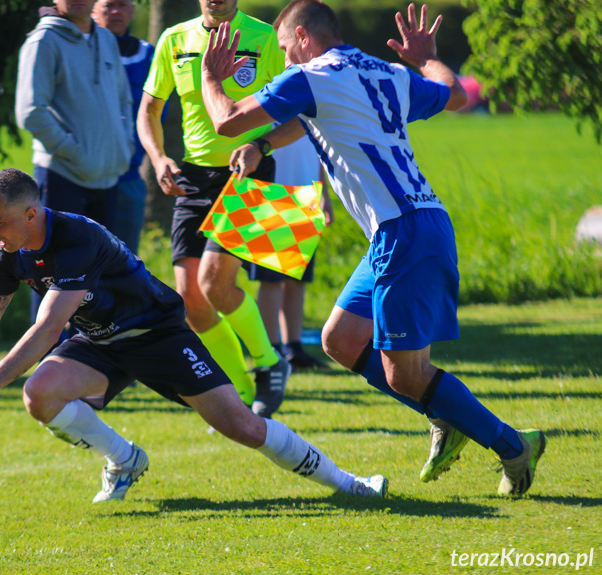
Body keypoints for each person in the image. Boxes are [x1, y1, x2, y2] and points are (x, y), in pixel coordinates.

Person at [199, 1, 546, 496]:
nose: (286, 60)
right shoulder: (379, 71)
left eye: (284, 49)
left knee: (405, 376)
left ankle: (513, 445)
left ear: (302, 38)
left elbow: (227, 120)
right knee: (340, 341)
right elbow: (454, 95)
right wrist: (425, 57)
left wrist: (212, 77)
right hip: (405, 227)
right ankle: (443, 411)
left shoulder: (311, 76)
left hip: (404, 231)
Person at [0, 168, 388, 503]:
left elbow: (48, 326)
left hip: (156, 334)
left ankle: (350, 483)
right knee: (39, 394)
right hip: (99, 341)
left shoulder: (76, 240)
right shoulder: (11, 247)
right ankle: (124, 460)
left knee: (243, 427)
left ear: (30, 215)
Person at [137, 0, 291, 417]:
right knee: (191, 300)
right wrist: (158, 158)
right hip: (192, 177)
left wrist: (261, 145)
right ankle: (240, 393)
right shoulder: (174, 38)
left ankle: (270, 362)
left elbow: (300, 114)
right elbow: (149, 110)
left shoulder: (265, 37)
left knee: (215, 283)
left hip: (249, 170)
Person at [16, 0, 133, 232]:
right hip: (62, 177)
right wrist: (76, 154)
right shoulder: (43, 41)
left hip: (107, 179)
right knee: (60, 266)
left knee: (97, 266)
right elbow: (30, 112)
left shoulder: (107, 39)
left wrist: (124, 146)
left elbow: (124, 100)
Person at [93, 0, 164, 254]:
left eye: (123, 5)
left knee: (123, 263)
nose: (116, 12)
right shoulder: (81, 50)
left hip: (129, 178)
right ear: (93, 9)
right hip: (86, 177)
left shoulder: (148, 55)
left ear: (133, 10)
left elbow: (157, 112)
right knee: (79, 264)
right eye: (109, 5)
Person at [251, 149, 333, 371]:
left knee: (298, 278)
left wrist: (324, 195)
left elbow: (316, 153)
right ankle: (272, 350)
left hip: (307, 196)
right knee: (272, 279)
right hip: (272, 192)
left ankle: (294, 349)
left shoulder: (311, 113)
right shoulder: (267, 113)